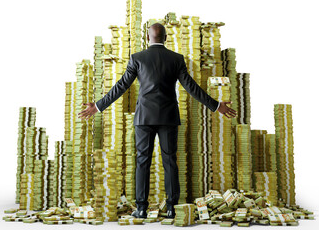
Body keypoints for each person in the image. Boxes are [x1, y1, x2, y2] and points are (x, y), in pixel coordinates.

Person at [78, 23, 237, 219]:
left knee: (142, 161)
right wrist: (216, 105)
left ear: (147, 37)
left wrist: (98, 105)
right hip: (168, 117)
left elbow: (121, 86)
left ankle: (142, 208)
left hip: (144, 117)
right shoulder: (176, 59)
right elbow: (191, 87)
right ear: (166, 38)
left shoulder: (137, 58)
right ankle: (171, 208)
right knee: (170, 161)